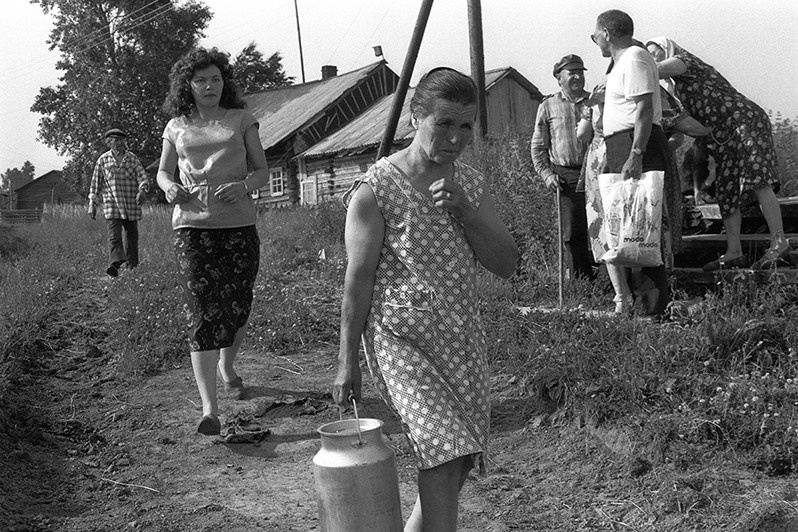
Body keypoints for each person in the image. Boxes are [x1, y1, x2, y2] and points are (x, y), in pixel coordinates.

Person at [332, 68, 519, 532]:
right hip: (401, 340)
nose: (456, 137)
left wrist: (466, 213)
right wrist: (346, 361)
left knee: (456, 461)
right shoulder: (376, 189)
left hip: (461, 340)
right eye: (444, 123)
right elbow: (358, 279)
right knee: (441, 444)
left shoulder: (471, 187)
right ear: (417, 118)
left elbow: (506, 263)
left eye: (466, 126)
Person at [156, 47, 269, 436]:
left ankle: (228, 366)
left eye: (216, 79)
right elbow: (163, 174)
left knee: (238, 305)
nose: (209, 86)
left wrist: (242, 186)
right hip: (191, 228)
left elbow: (262, 171)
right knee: (201, 312)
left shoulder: (241, 120)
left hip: (238, 226)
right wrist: (170, 188)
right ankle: (209, 409)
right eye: (201, 80)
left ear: (225, 83)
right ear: (187, 85)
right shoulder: (176, 126)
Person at [646, 36, 789, 271]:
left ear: (666, 48)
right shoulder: (674, 88)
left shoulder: (683, 60)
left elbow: (651, 70)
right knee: (726, 188)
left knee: (758, 180)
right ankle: (734, 252)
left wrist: (629, 66)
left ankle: (779, 242)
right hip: (723, 134)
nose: (652, 57)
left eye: (654, 51)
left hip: (744, 121)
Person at [590, 9, 670, 317]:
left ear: (607, 34)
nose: (595, 40)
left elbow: (644, 110)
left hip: (635, 144)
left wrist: (636, 153)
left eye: (595, 34)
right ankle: (639, 303)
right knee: (626, 226)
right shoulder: (623, 62)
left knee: (642, 222)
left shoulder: (635, 57)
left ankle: (652, 308)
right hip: (620, 143)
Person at [531, 54, 595, 281]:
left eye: (581, 72)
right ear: (559, 78)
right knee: (573, 232)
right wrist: (547, 174)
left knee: (601, 227)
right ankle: (582, 282)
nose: (578, 77)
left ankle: (610, 280)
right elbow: (538, 147)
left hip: (596, 171)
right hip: (566, 174)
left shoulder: (595, 102)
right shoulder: (548, 106)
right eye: (572, 73)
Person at [88, 128, 149, 278]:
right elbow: (95, 184)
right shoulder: (103, 160)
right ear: (109, 142)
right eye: (117, 140)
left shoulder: (132, 158)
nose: (120, 143)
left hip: (131, 203)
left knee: (131, 237)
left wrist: (142, 190)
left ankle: (132, 268)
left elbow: (142, 176)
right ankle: (114, 265)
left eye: (122, 140)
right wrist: (92, 204)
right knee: (114, 236)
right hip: (112, 203)